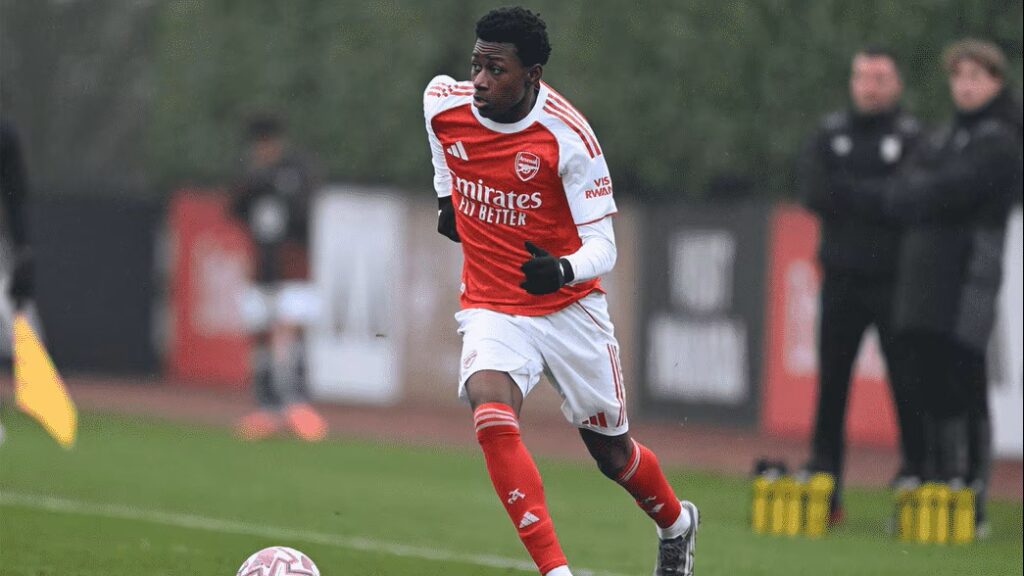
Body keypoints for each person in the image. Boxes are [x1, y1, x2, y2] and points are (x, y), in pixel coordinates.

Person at [424, 7, 697, 576]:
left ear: (533, 74)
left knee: (613, 455)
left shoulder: (567, 136)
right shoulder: (444, 102)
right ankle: (557, 572)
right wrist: (446, 194)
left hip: (568, 309)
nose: (478, 80)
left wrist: (565, 270)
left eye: (495, 69)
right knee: (491, 414)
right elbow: (438, 140)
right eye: (476, 64)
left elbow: (605, 246)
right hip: (491, 304)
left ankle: (676, 524)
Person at [885, 39, 1021, 536]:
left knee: (964, 379)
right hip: (923, 276)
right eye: (958, 76)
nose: (965, 85)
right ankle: (938, 485)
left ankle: (973, 495)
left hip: (970, 277)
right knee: (924, 380)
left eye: (976, 77)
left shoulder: (1002, 140)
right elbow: (899, 193)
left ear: (996, 82)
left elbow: (957, 188)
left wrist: (928, 188)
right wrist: (931, 189)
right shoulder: (943, 138)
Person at [797, 47, 924, 524]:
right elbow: (814, 191)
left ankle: (917, 484)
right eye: (863, 77)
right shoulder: (830, 133)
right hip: (842, 280)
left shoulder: (912, 137)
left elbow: (908, 199)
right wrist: (876, 195)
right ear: (852, 82)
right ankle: (827, 489)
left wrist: (852, 193)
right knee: (831, 388)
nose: (870, 86)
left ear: (896, 85)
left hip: (895, 283)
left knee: (907, 386)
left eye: (880, 78)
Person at [229, 114, 327, 442]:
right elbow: (234, 208)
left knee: (295, 331)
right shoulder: (252, 177)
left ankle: (299, 404)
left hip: (293, 265)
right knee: (260, 336)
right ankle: (266, 406)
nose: (263, 150)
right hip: (262, 267)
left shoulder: (295, 172)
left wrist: (278, 186)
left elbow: (305, 210)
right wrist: (256, 184)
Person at [0, 119, 36, 445]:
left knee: (14, 320)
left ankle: (33, 394)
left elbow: (16, 196)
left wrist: (23, 249)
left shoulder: (6, 136)